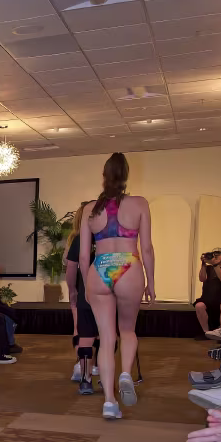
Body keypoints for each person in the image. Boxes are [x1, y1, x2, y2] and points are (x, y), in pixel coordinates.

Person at [80, 152, 155, 420]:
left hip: (99, 269)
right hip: (128, 266)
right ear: (126, 176)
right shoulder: (140, 203)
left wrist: (86, 286)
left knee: (106, 338)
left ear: (104, 176)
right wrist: (151, 283)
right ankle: (125, 374)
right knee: (128, 330)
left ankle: (109, 402)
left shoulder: (90, 209)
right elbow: (146, 248)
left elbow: (83, 256)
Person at [65, 202, 99, 396]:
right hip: (108, 292)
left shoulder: (79, 238)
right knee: (106, 334)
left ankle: (86, 379)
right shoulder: (109, 238)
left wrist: (72, 291)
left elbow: (71, 267)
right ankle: (104, 374)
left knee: (84, 333)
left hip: (86, 291)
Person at [194, 249, 221, 335]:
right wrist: (203, 264)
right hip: (207, 298)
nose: (216, 256)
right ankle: (206, 332)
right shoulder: (208, 268)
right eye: (214, 254)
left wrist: (215, 265)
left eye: (219, 254)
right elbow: (202, 279)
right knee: (199, 305)